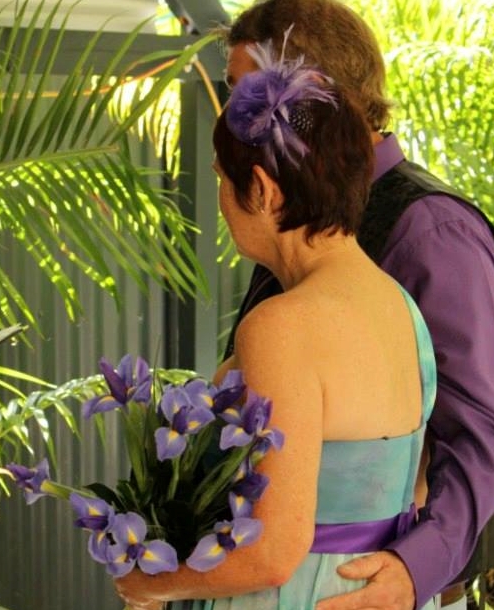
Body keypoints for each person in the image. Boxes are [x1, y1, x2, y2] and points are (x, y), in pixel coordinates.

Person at [114, 36, 437, 610]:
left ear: (261, 190)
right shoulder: (399, 305)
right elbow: (416, 485)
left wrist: (150, 584)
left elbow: (273, 554)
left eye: (222, 178)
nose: (222, 198)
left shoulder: (281, 326)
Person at [220, 2, 494, 609]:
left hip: (366, 585)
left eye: (245, 92)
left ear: (313, 96)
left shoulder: (431, 230)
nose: (232, 116)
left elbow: (481, 431)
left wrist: (416, 569)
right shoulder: (296, 213)